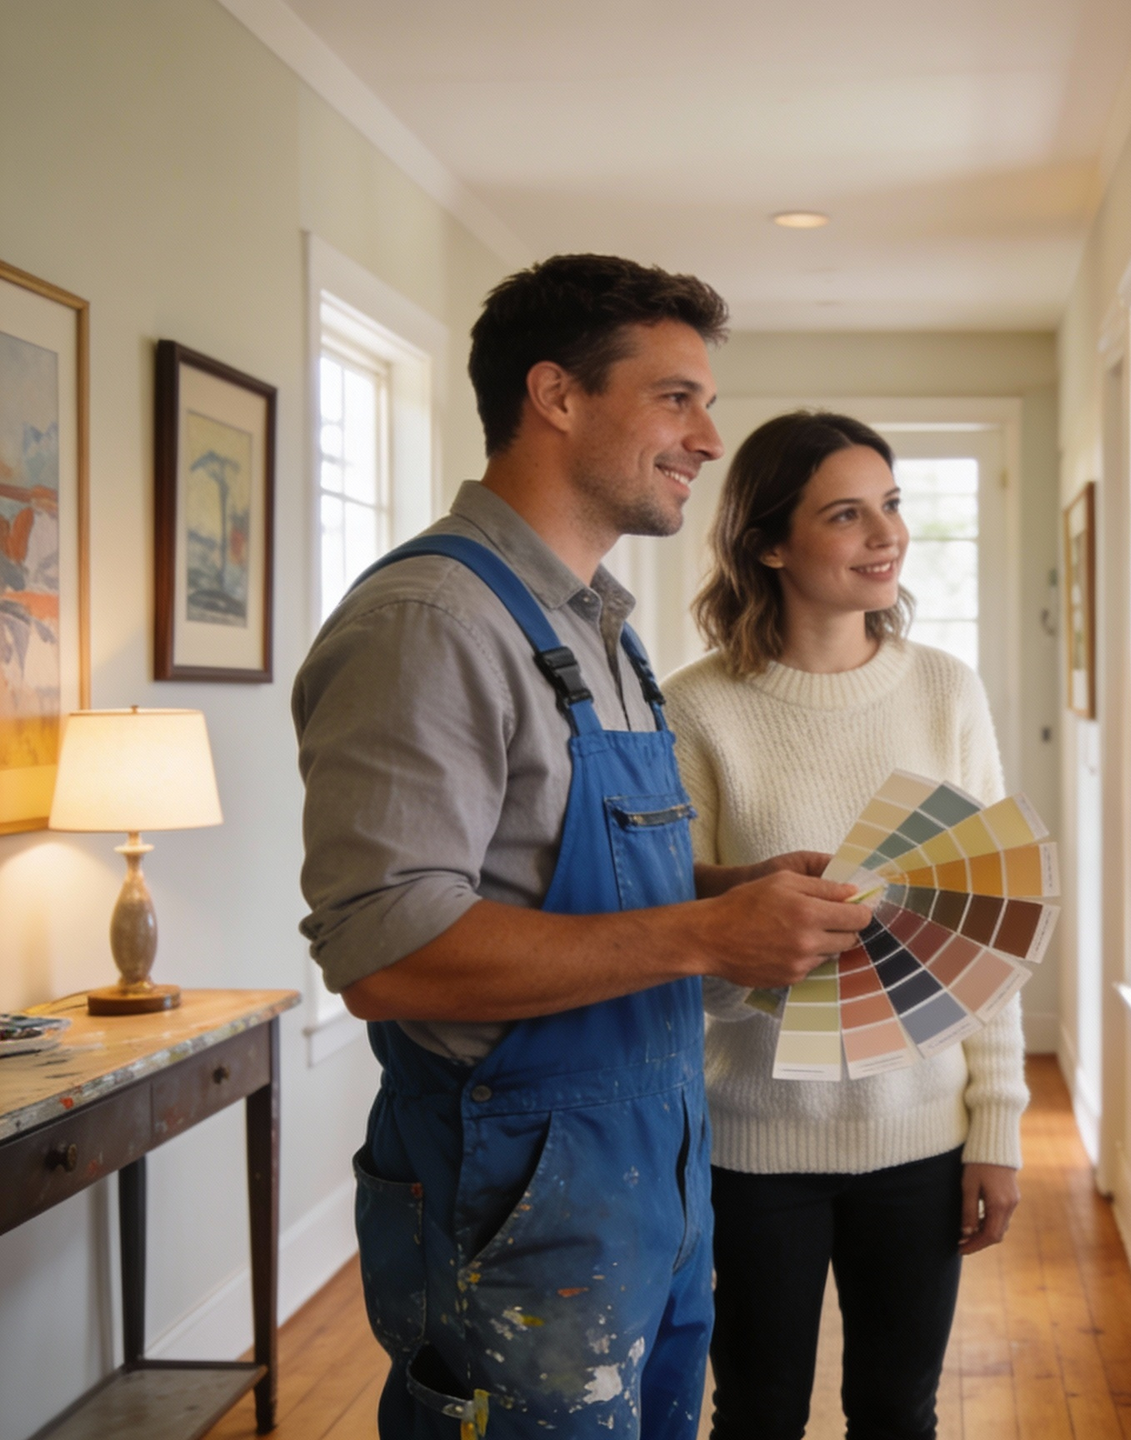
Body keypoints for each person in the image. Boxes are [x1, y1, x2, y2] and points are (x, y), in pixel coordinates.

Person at [292, 257, 873, 1440]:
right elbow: (388, 958)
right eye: (677, 398)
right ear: (555, 395)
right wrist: (710, 934)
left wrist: (728, 890)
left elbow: (567, 870)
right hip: (517, 1202)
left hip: (647, 1176)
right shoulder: (430, 623)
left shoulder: (599, 626)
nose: (710, 437)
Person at [662, 411, 1030, 1440]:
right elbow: (672, 940)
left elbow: (993, 930)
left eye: (893, 504)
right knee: (757, 1416)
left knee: (897, 1413)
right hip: (748, 1142)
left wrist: (996, 1127)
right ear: (770, 543)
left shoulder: (945, 690)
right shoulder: (694, 710)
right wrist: (758, 945)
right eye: (847, 513)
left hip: (920, 1138)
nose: (888, 534)